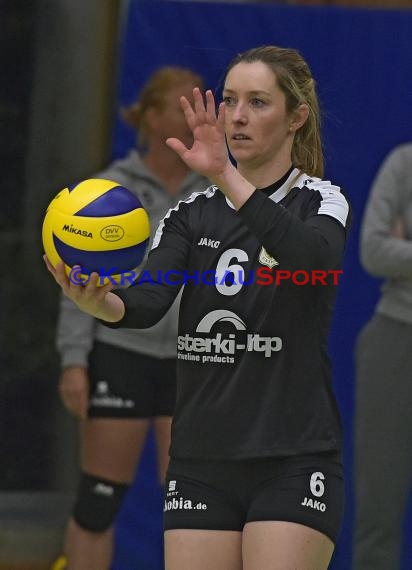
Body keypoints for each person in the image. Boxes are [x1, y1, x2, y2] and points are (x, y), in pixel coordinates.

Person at [46, 45, 351, 570]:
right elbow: (147, 302)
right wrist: (99, 302)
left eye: (258, 102)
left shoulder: (321, 201)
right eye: (230, 99)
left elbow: (312, 259)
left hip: (291, 458)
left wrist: (224, 176)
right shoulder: (191, 212)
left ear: (296, 117)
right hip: (200, 462)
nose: (237, 115)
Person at [50, 66, 209, 570]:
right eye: (181, 107)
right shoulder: (107, 190)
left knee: (192, 509)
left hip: (190, 358)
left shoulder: (215, 189)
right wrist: (74, 360)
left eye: (198, 108)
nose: (191, 119)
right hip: (121, 356)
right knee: (98, 503)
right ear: (152, 115)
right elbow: (73, 279)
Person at [353, 142, 412, 570]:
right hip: (395, 339)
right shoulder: (403, 164)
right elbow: (373, 251)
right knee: (379, 507)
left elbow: (392, 253)